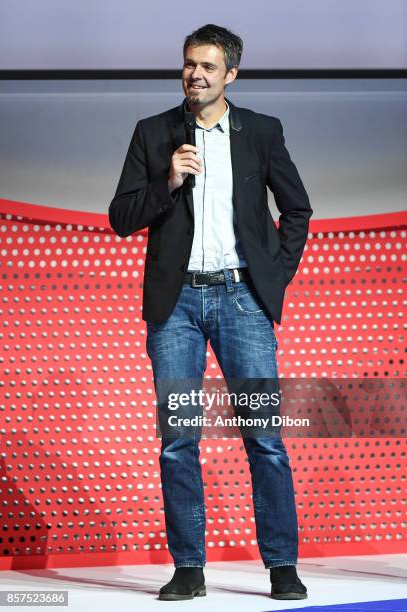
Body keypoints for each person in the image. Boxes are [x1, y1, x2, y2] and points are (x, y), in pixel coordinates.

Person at [109, 23, 312, 602]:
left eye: (208, 67)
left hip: (242, 301)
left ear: (231, 75)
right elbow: (121, 217)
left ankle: (281, 565)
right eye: (189, 65)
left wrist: (273, 276)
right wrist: (168, 181)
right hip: (175, 307)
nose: (195, 75)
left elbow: (296, 209)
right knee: (178, 439)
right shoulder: (154, 134)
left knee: (265, 439)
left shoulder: (261, 133)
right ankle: (189, 568)